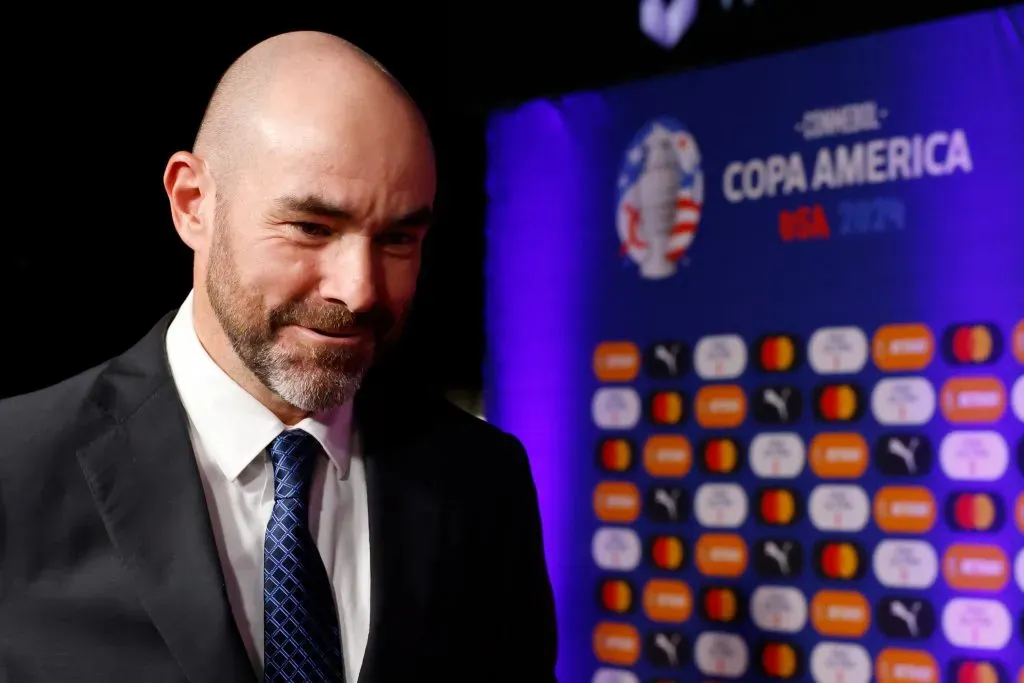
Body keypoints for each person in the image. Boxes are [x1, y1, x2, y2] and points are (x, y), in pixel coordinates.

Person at [0, 31, 557, 682]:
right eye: (311, 228)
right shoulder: (13, 470)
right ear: (192, 204)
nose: (358, 289)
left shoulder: (482, 480)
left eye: (399, 238)